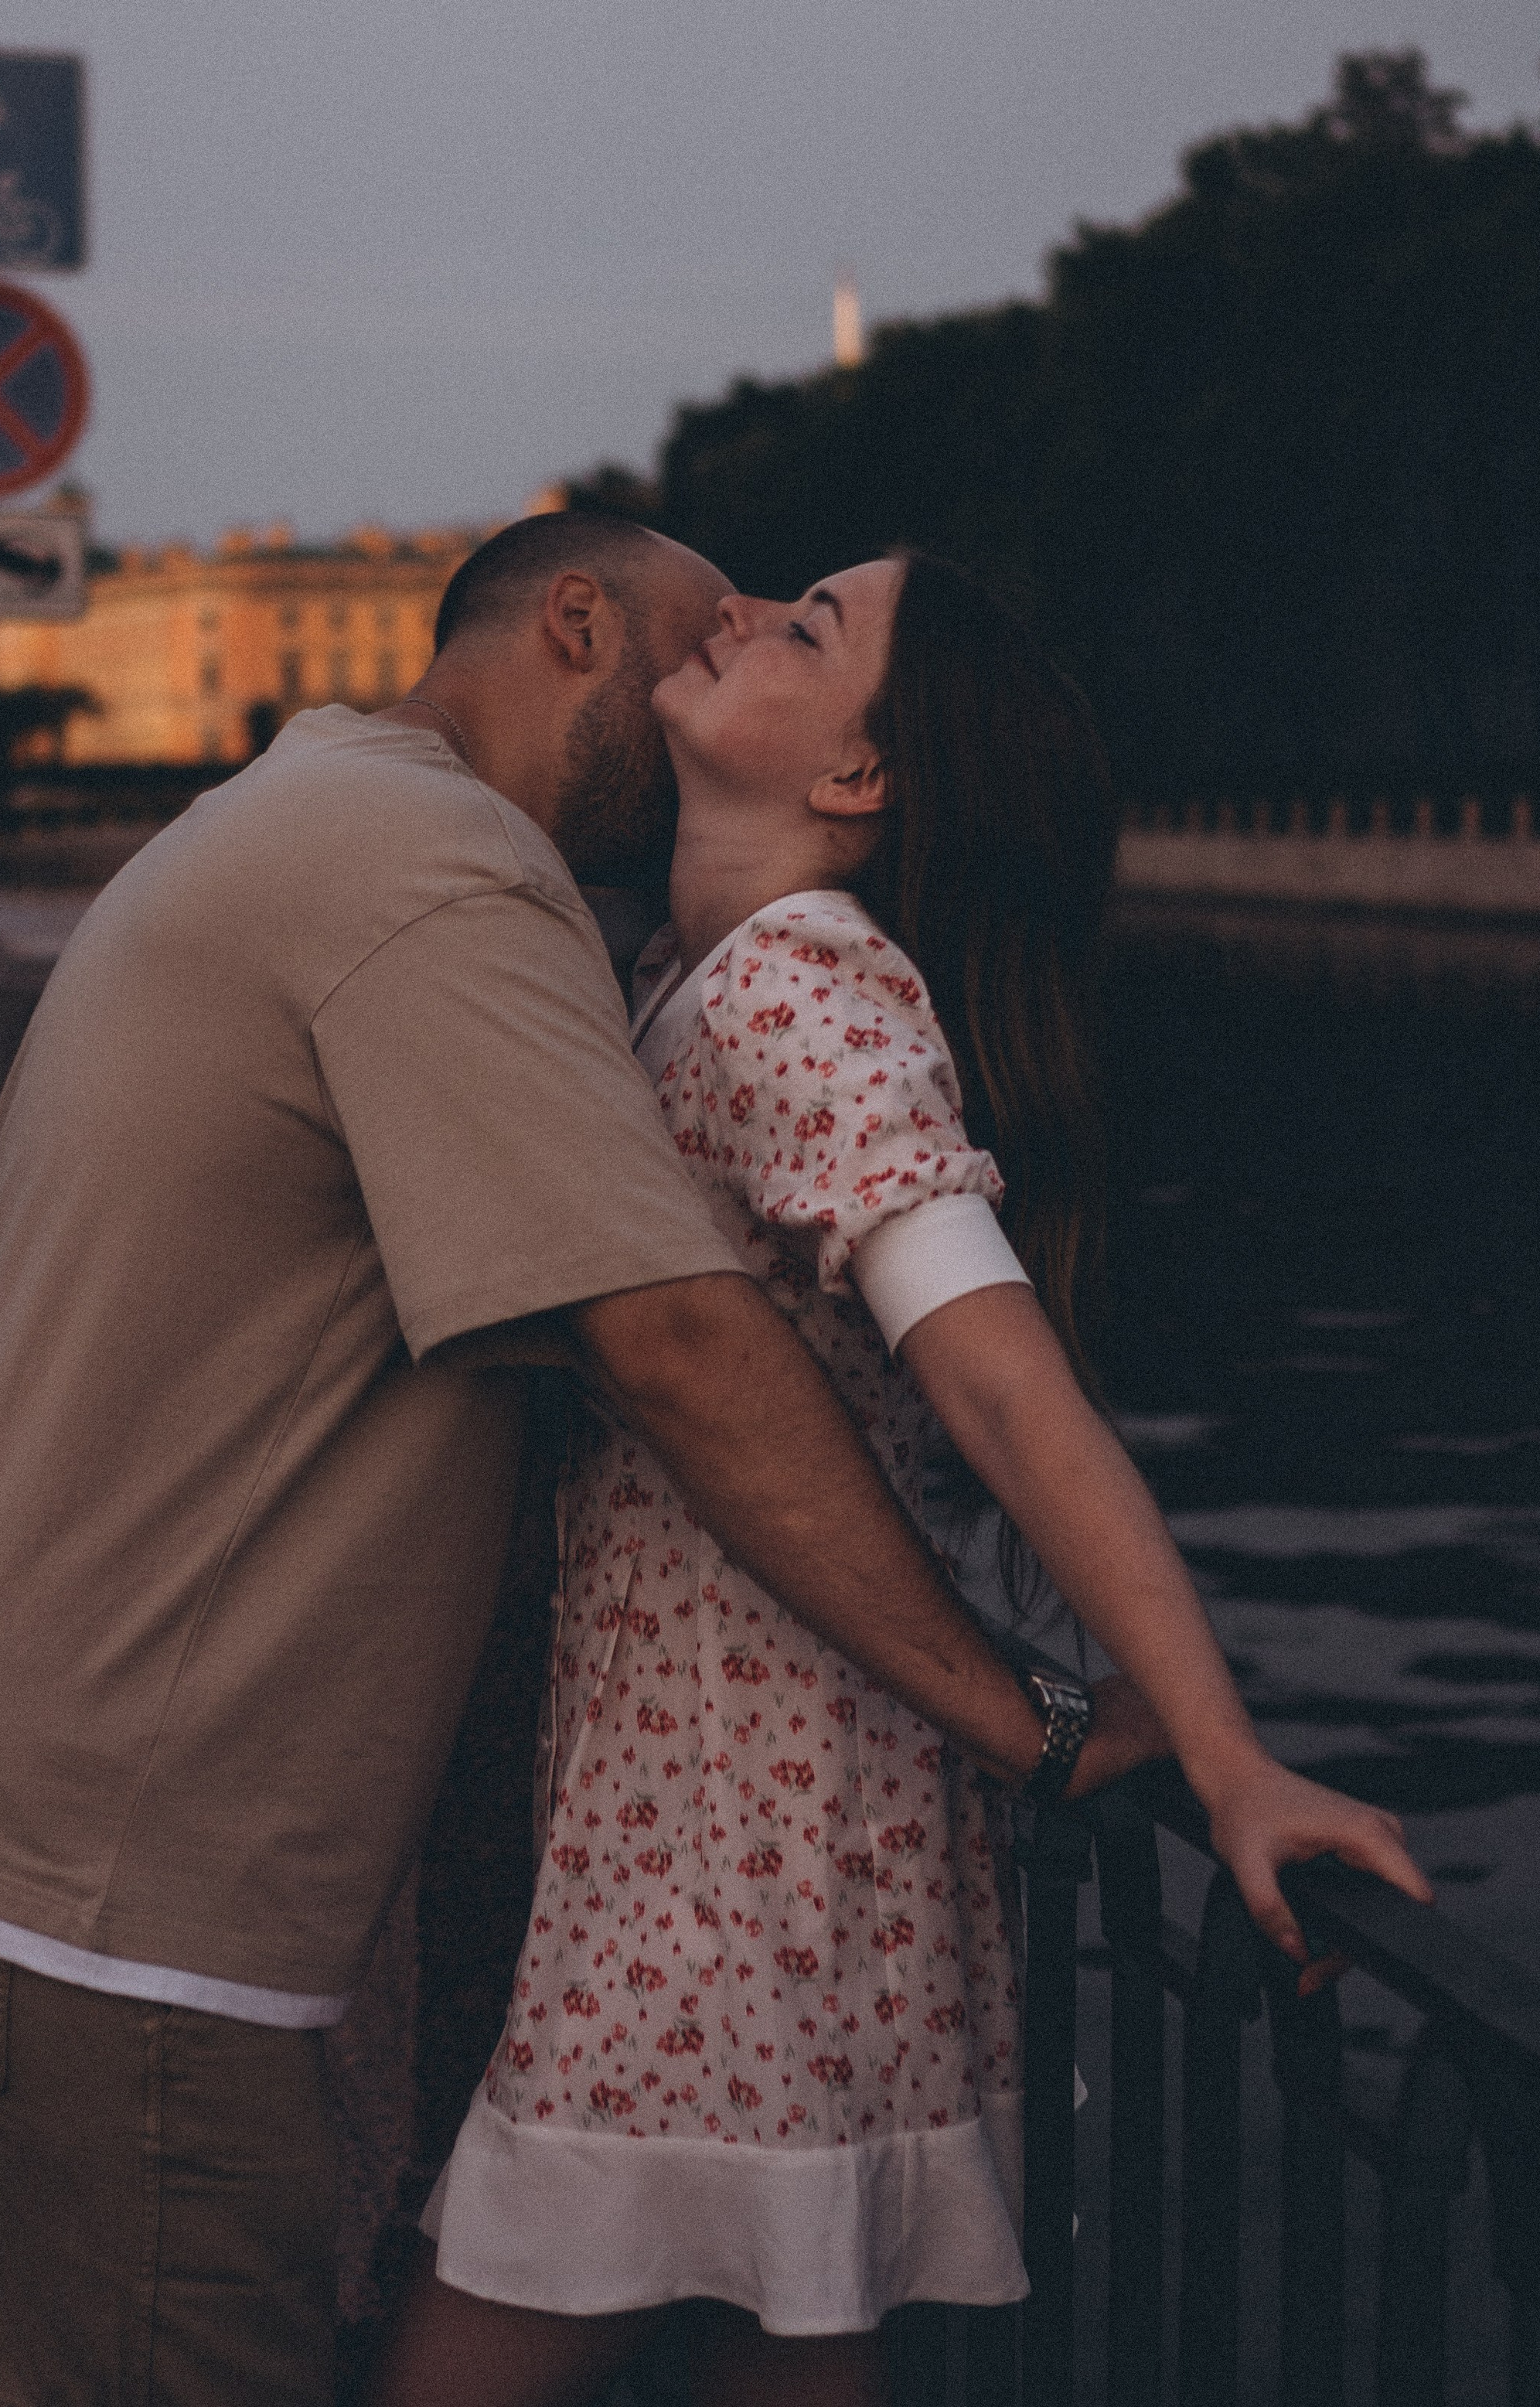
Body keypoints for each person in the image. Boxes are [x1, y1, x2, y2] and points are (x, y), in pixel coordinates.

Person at [0, 510, 1164, 2407]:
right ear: (582, 627)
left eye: (780, 640)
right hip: (108, 1876)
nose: (730, 653)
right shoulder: (444, 879)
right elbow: (679, 1342)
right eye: (707, 635)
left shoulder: (325, 811)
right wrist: (1020, 1707)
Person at [372, 552, 1433, 2407]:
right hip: (741, 1802)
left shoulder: (809, 994)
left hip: (738, 1841)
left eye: (806, 629)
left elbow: (1012, 1400)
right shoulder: (684, 973)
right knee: (776, 2330)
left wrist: (1227, 1749)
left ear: (855, 782)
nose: (741, 615)